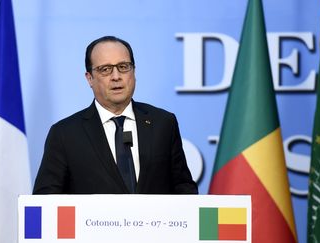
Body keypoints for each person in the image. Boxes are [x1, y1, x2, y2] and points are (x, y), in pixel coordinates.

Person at [33, 36, 198, 194]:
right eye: (105, 70)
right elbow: (46, 199)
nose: (116, 76)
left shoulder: (163, 123)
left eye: (123, 67)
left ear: (134, 72)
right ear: (89, 78)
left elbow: (183, 188)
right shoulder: (65, 134)